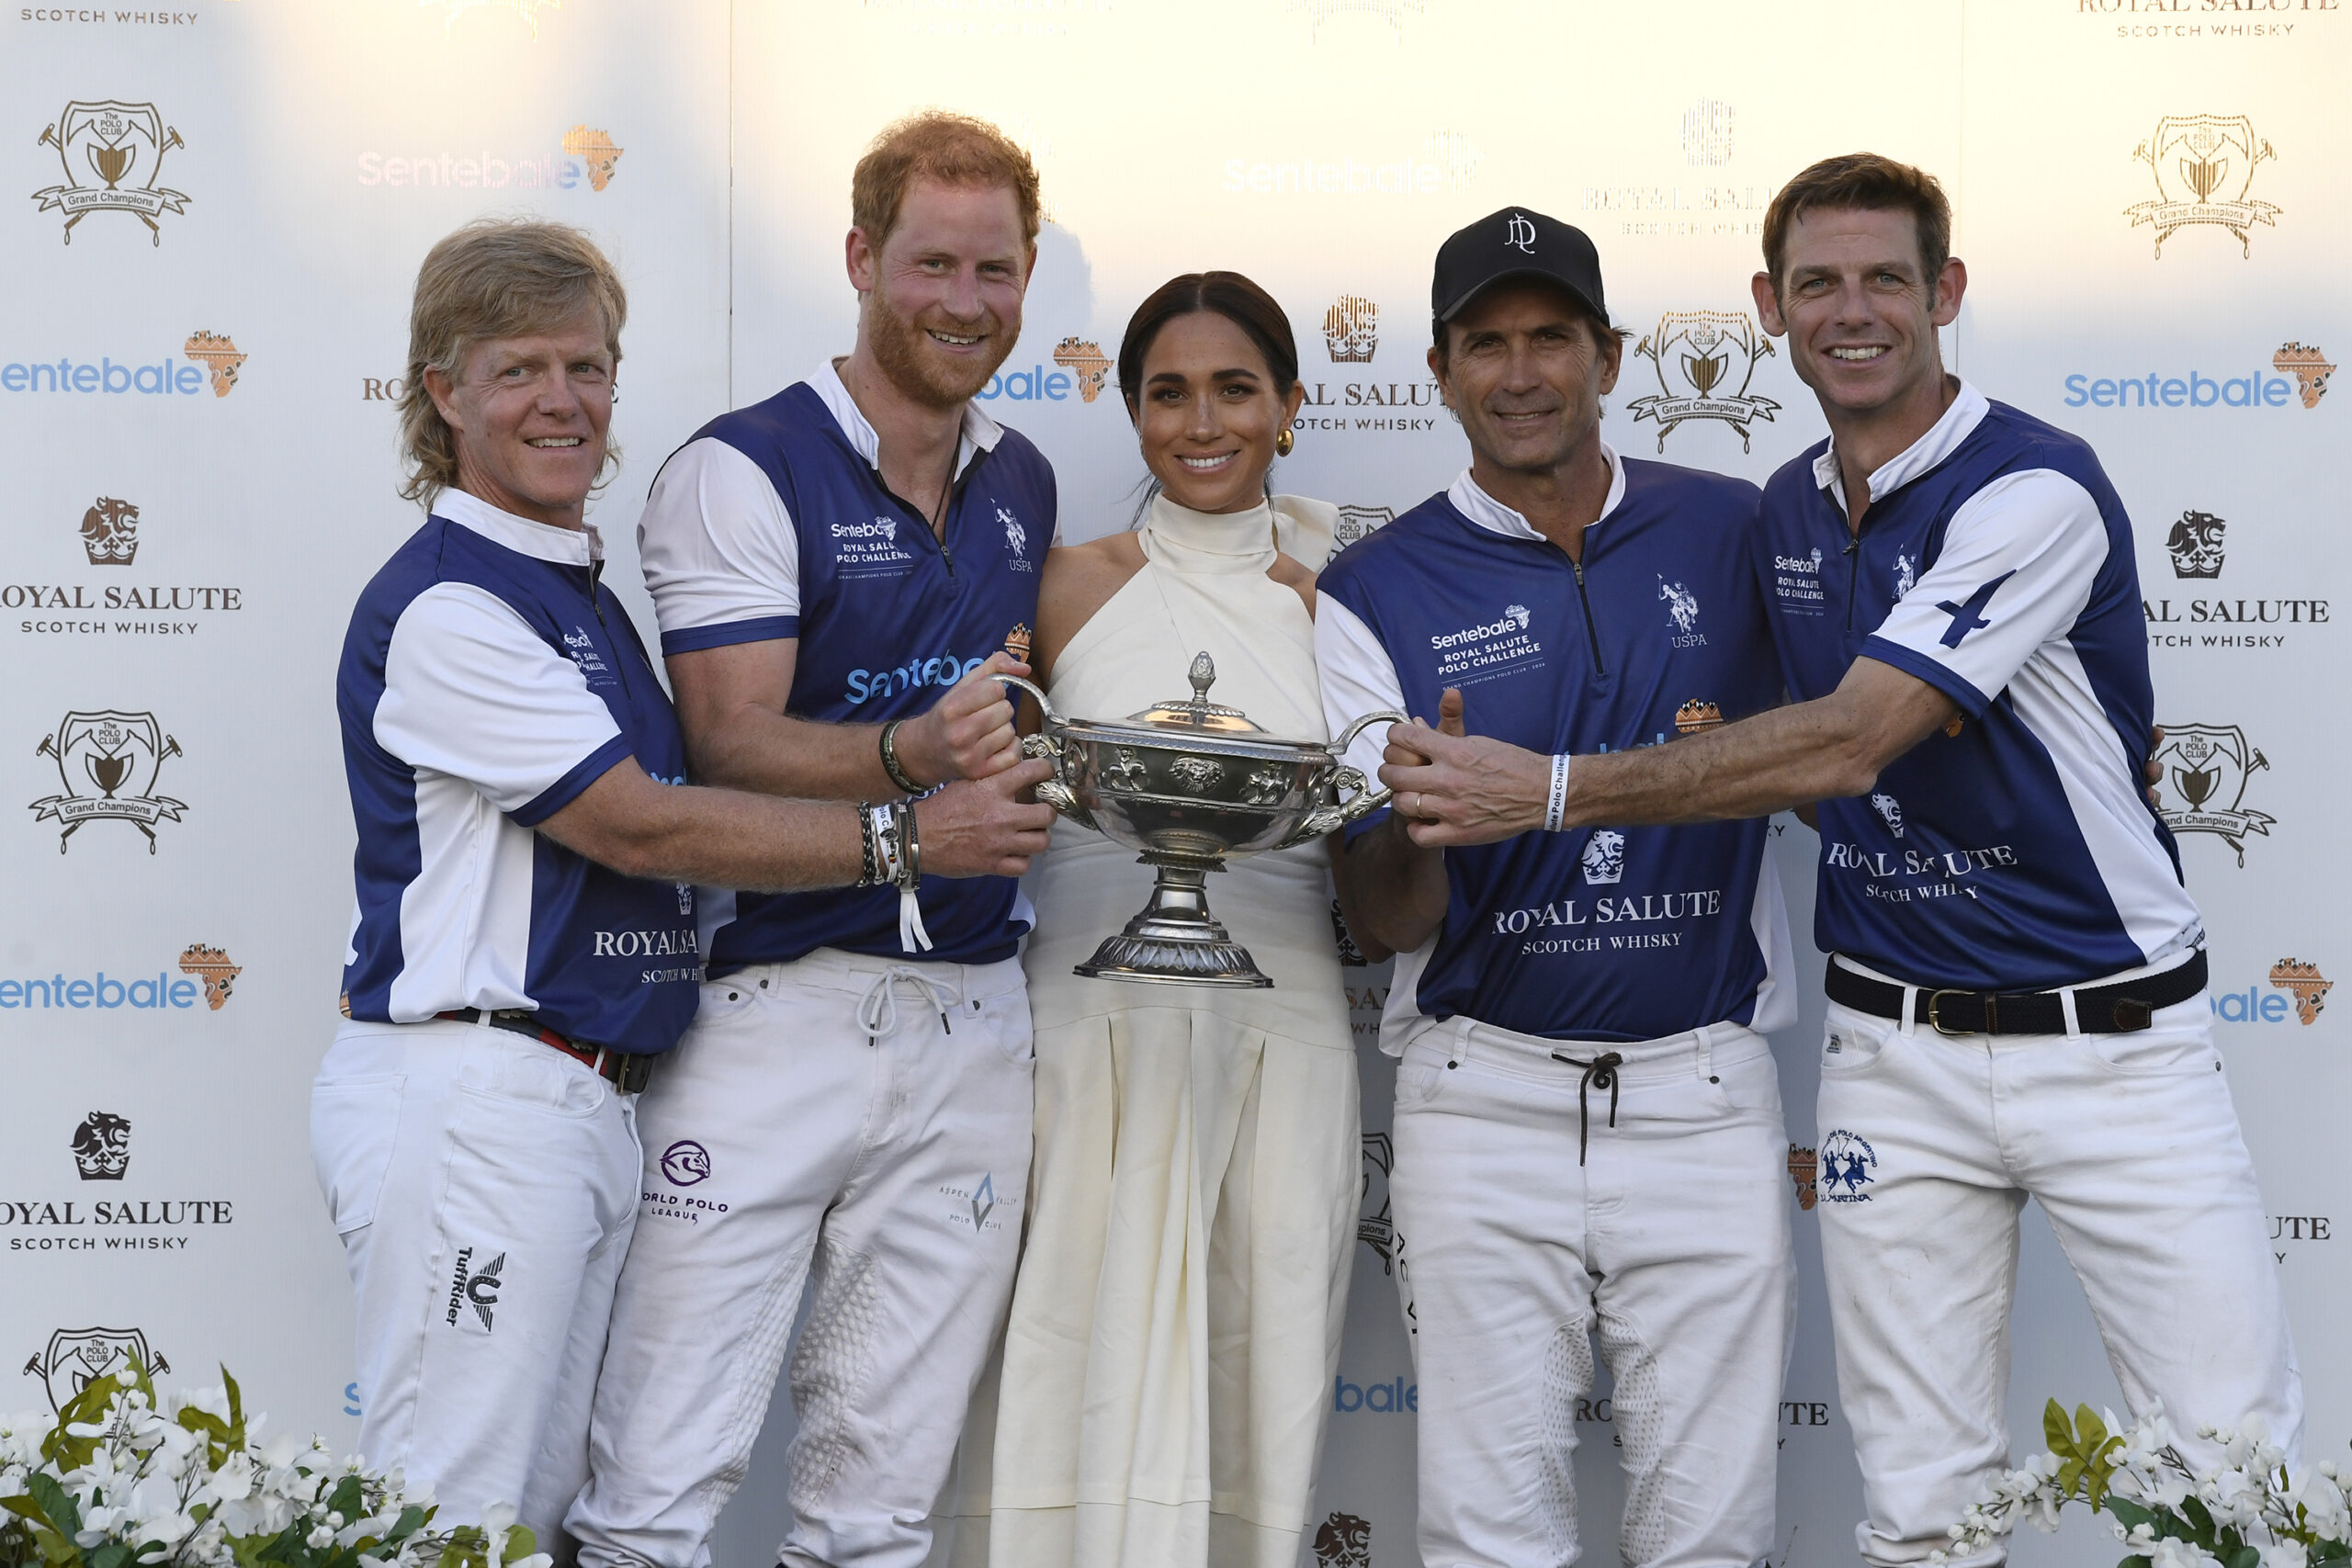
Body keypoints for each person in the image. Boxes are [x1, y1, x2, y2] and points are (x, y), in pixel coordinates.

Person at [1379, 155, 2303, 1568]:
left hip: (2114, 1041)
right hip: (1893, 1054)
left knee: (2229, 1483)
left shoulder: (2035, 487)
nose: (1852, 310)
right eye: (1818, 283)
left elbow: (1856, 740)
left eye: (1886, 279)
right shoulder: (1786, 513)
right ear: (1770, 305)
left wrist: (1552, 789)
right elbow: (1759, 742)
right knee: (1924, 1508)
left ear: (1946, 292)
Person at [314, 218, 1050, 1558]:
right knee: (446, 1527)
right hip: (480, 1095)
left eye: (587, 368)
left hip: (584, 1100)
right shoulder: (449, 605)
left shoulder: (571, 591)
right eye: (521, 369)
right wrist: (908, 839)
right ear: (443, 393)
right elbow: (641, 830)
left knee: (522, 1524)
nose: (564, 402)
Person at [564, 113, 1059, 1568]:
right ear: (860, 257)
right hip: (777, 1007)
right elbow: (730, 740)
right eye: (933, 264)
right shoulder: (742, 466)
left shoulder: (1021, 475)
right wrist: (919, 774)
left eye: (998, 270)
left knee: (877, 1512)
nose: (966, 302)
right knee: (656, 1487)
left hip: (976, 1020)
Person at [1313, 208, 1798, 1568]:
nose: (1520, 374)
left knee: (1714, 1535)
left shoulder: (1735, 528)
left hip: (1703, 1091)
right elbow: (1381, 919)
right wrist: (1427, 823)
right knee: (1487, 1536)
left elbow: (1835, 741)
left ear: (1610, 355)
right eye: (1487, 345)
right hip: (1485, 1102)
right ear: (1438, 368)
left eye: (1549, 340)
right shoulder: (1372, 588)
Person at [954, 273, 1360, 1568]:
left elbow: (1372, 841)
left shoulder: (1337, 608)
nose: (1202, 421)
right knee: (1071, 1352)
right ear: (1129, 412)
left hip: (1280, 1024)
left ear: (1289, 407)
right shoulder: (1063, 587)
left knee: (1258, 1361)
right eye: (1167, 392)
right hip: (1084, 1022)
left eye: (1235, 388)